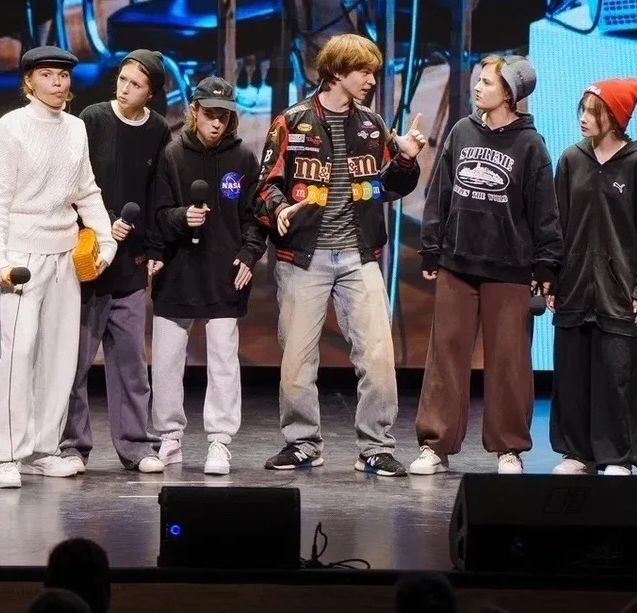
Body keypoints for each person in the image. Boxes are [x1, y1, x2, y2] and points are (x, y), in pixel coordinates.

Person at [255, 33, 426, 476]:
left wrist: (406, 160)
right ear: (336, 72)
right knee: (297, 361)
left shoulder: (372, 125)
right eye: (363, 72)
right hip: (303, 257)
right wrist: (280, 209)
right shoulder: (291, 122)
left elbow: (389, 188)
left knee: (378, 356)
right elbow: (265, 185)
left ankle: (376, 447)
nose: (371, 80)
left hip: (358, 255)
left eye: (373, 72)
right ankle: (302, 443)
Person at [413, 54, 562, 476]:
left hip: (510, 268)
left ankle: (508, 448)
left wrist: (546, 264)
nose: (478, 88)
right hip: (457, 263)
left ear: (510, 94)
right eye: (478, 81)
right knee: (446, 355)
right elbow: (440, 192)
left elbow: (545, 211)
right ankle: (436, 446)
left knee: (509, 361)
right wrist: (431, 247)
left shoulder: (530, 145)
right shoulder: (462, 131)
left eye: (488, 83)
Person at [0, 46, 117, 488]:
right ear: (29, 82)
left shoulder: (76, 128)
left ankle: (44, 449)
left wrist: (106, 240)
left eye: (63, 75)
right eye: (48, 75)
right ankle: (6, 455)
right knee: (19, 354)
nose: (58, 82)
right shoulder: (11, 127)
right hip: (21, 257)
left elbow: (86, 191)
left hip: (64, 254)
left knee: (59, 357)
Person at [150, 77, 268, 475]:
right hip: (178, 271)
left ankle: (219, 440)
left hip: (224, 272)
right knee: (166, 361)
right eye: (210, 114)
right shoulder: (172, 155)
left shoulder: (244, 158)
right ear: (194, 112)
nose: (217, 123)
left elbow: (254, 218)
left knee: (223, 360)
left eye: (224, 116)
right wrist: (181, 218)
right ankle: (170, 436)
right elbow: (158, 213)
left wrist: (249, 255)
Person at [61, 51, 172, 475]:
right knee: (74, 363)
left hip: (129, 264)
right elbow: (75, 183)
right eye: (122, 80)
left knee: (130, 365)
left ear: (151, 93)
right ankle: (72, 445)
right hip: (88, 259)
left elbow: (157, 194)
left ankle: (136, 446)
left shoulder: (158, 129)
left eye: (135, 84)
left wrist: (154, 248)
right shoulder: (92, 119)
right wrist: (103, 223)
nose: (124, 89)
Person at [548, 78, 637, 477]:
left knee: (617, 375)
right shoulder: (570, 159)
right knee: (572, 373)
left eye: (592, 112)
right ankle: (577, 453)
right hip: (575, 285)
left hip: (619, 288)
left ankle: (618, 456)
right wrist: (552, 278)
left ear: (614, 117)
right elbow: (557, 224)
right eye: (581, 109)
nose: (583, 118)